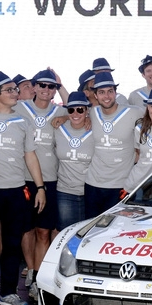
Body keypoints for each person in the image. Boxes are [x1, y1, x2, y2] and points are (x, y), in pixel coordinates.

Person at [0, 72, 48, 305]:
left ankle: (8, 292)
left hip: (16, 190)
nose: (15, 93)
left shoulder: (23, 122)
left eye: (15, 90)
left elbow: (30, 155)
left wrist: (39, 187)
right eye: (9, 90)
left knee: (12, 245)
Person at [16, 69, 65, 291]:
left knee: (44, 230)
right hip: (23, 179)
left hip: (50, 179)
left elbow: (85, 113)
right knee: (26, 229)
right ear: (33, 87)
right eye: (42, 85)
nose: (47, 90)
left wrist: (65, 116)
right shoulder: (20, 107)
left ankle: (38, 276)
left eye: (51, 86)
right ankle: (30, 269)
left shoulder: (60, 112)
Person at [83, 72, 144, 215]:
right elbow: (74, 114)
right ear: (96, 95)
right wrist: (64, 117)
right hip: (93, 185)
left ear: (116, 93)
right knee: (92, 231)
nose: (107, 96)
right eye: (102, 92)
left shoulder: (134, 112)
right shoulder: (92, 113)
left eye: (110, 91)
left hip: (121, 186)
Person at [52, 91, 95, 228]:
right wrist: (64, 117)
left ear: (87, 110)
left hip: (91, 191)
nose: (75, 114)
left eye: (80, 110)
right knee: (66, 233)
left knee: (89, 236)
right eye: (71, 110)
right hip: (65, 192)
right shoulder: (57, 129)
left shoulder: (96, 128)